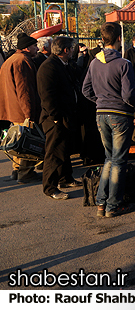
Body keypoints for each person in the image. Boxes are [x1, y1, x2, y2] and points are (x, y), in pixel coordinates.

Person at [82, 22, 135, 218]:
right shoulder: (124, 64)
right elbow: (128, 95)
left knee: (108, 158)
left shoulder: (94, 62)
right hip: (120, 115)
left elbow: (86, 90)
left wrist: (100, 100)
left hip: (101, 114)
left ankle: (101, 202)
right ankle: (113, 205)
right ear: (118, 39)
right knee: (119, 161)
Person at [37, 37, 81, 200]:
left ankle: (66, 178)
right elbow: (47, 95)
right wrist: (55, 116)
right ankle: (50, 187)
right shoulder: (48, 67)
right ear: (65, 50)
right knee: (54, 152)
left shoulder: (63, 65)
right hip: (55, 118)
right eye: (71, 48)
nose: (73, 51)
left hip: (66, 115)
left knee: (64, 150)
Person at [0, 33, 41, 183]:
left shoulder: (11, 59)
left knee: (19, 140)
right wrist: (28, 113)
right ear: (26, 47)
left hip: (11, 108)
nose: (37, 48)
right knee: (27, 142)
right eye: (34, 45)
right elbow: (25, 91)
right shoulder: (22, 61)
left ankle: (16, 170)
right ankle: (26, 173)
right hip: (21, 110)